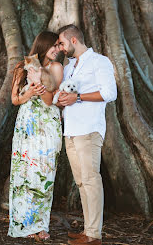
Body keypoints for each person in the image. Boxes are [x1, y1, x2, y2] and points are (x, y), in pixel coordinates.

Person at [56, 25, 117, 245]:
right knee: (81, 183)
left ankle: (94, 236)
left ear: (74, 40)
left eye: (62, 43)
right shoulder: (70, 66)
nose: (61, 48)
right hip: (71, 130)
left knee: (91, 181)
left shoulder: (99, 61)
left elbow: (110, 93)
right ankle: (88, 230)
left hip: (89, 130)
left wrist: (78, 98)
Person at [8, 31, 64, 241]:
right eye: (54, 45)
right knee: (24, 173)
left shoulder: (56, 68)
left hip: (47, 125)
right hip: (27, 126)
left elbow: (50, 100)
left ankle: (40, 225)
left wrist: (40, 83)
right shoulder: (21, 67)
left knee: (43, 175)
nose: (58, 49)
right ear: (43, 45)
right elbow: (14, 99)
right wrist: (29, 92)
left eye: (59, 46)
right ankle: (23, 222)